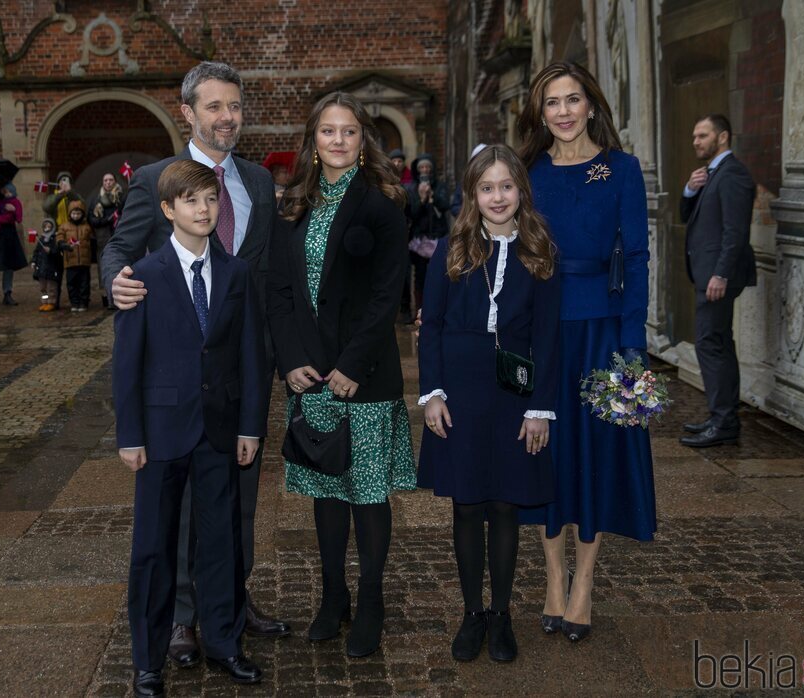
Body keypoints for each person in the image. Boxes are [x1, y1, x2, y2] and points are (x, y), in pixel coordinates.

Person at [100, 61, 290, 664]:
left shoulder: (257, 181)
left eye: (234, 106)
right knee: (177, 507)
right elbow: (120, 249)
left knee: (238, 497)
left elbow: (263, 278)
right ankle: (181, 617)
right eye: (213, 107)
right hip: (178, 375)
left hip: (239, 371)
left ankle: (230, 600)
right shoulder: (156, 179)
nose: (226, 117)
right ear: (188, 112)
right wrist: (115, 285)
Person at [268, 92, 416, 658]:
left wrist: (352, 365)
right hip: (310, 377)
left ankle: (371, 601)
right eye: (327, 131)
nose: (337, 140)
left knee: (367, 493)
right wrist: (290, 361)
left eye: (348, 132)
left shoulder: (381, 203)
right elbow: (279, 293)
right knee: (326, 493)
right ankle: (334, 598)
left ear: (363, 140)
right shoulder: (293, 206)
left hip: (365, 375)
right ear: (313, 140)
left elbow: (386, 295)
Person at [113, 159, 268, 695]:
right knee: (154, 548)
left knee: (221, 540)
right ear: (167, 210)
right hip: (159, 432)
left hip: (221, 429)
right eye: (191, 202)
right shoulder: (142, 277)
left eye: (210, 201)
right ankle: (148, 659)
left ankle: (225, 642)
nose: (203, 210)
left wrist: (251, 426)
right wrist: (130, 435)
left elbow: (250, 352)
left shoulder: (236, 273)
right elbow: (127, 362)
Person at [516, 61, 655, 642]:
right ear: (540, 112)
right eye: (553, 103)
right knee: (546, 454)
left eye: (573, 100)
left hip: (603, 333)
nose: (564, 112)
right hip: (543, 329)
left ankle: (584, 584)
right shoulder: (525, 173)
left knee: (597, 454)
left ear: (591, 105)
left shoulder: (622, 170)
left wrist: (632, 347)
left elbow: (639, 258)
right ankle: (552, 578)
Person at [418, 144, 560, 663]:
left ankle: (502, 615)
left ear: (520, 190)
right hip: (460, 393)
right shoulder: (451, 250)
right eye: (486, 187)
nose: (497, 196)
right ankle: (472, 612)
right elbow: (429, 326)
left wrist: (540, 407)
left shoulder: (539, 249)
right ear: (472, 195)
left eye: (506, 186)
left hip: (515, 393)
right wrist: (432, 393)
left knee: (504, 503)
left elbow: (547, 337)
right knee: (467, 504)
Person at [678, 114, 756, 448]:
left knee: (711, 344)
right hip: (708, 274)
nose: (696, 141)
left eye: (702, 135)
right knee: (718, 343)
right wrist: (689, 190)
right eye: (694, 136)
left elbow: (735, 231)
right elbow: (688, 218)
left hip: (717, 276)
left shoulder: (733, 174)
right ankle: (720, 417)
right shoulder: (710, 175)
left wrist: (721, 273)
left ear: (722, 137)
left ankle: (724, 422)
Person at [403, 153, 450, 321]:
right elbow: (412, 213)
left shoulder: (440, 186)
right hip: (419, 239)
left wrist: (433, 195)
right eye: (421, 168)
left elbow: (446, 206)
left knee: (440, 275)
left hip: (438, 237)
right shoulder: (411, 188)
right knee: (420, 277)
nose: (425, 171)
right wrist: (422, 199)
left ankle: (439, 312)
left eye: (427, 168)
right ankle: (419, 311)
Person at [0, 182, 27, 307]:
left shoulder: (9, 200)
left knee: (9, 266)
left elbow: (17, 216)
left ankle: (7, 293)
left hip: (8, 235)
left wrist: (13, 209)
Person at [87, 172, 125, 308]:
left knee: (120, 266)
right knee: (104, 269)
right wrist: (104, 220)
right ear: (102, 183)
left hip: (119, 236)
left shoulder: (121, 197)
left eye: (110, 180)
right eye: (105, 180)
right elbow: (91, 218)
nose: (108, 182)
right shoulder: (96, 199)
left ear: (115, 181)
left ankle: (121, 297)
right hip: (103, 238)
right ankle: (108, 296)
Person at [56, 200, 94, 312]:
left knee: (84, 284)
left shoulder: (86, 227)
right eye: (74, 213)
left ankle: (83, 302)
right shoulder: (64, 226)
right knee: (71, 284)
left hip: (84, 261)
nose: (76, 216)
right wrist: (63, 244)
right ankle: (74, 302)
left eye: (78, 213)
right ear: (70, 214)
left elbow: (91, 239)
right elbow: (59, 238)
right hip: (70, 261)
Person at [31, 218, 62, 312]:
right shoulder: (41, 239)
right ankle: (45, 302)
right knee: (43, 288)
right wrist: (34, 261)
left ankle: (52, 302)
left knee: (51, 287)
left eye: (49, 226)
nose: (47, 228)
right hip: (42, 268)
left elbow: (57, 252)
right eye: (45, 226)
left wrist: (51, 251)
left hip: (51, 268)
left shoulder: (55, 239)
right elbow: (36, 252)